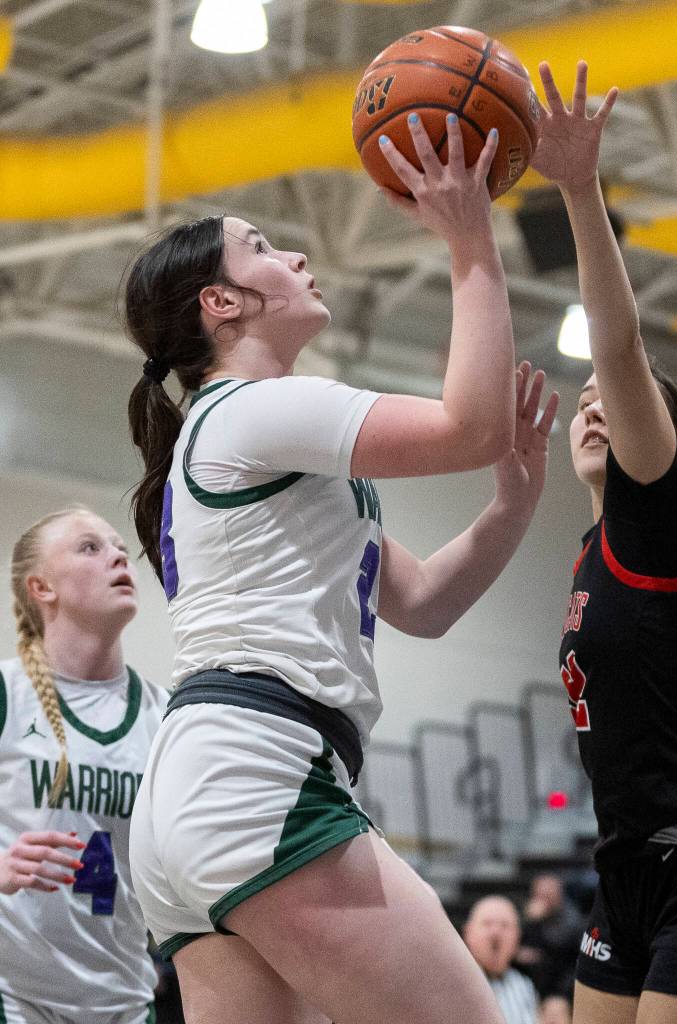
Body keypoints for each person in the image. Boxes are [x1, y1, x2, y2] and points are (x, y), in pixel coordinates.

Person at [125, 111, 559, 1024]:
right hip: (257, 771)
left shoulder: (256, 444)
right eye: (263, 248)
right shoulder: (251, 410)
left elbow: (422, 604)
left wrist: (511, 503)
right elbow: (466, 426)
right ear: (222, 303)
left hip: (198, 794)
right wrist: (469, 232)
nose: (296, 256)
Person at [532, 60, 677, 1023]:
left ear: (670, 442)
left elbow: (616, 348)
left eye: (615, 409)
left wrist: (580, 188)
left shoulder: (662, 525)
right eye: (582, 404)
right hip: (624, 866)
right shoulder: (589, 558)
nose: (593, 405)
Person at [0, 507, 169, 1024]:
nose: (119, 555)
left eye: (119, 546)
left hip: (125, 999)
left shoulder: (165, 716)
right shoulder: (9, 694)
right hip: (15, 998)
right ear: (41, 587)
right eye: (89, 547)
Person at [463, 896, 539, 1024]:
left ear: (518, 937)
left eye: (505, 925)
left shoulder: (525, 986)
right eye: (487, 924)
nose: (496, 932)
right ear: (468, 932)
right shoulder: (453, 984)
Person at [517, 873, 584, 998]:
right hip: (531, 980)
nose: (542, 899)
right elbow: (519, 940)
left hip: (562, 983)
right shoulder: (527, 914)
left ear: (559, 894)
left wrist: (535, 922)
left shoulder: (571, 917)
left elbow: (558, 947)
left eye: (548, 894)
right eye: (539, 894)